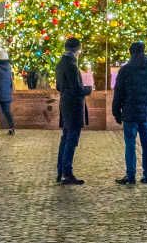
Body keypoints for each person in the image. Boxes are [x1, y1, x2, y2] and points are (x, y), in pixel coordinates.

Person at [112, 41, 147, 185]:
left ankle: (131, 175)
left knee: (130, 144)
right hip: (145, 115)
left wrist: (116, 112)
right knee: (146, 144)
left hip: (130, 114)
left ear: (130, 52)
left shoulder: (125, 70)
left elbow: (118, 93)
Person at [55, 37, 92, 185]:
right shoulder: (71, 65)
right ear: (77, 50)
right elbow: (76, 88)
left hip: (65, 104)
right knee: (71, 140)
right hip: (73, 107)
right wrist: (88, 89)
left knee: (66, 138)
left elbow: (59, 86)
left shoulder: (61, 64)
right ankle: (67, 172)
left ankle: (61, 171)